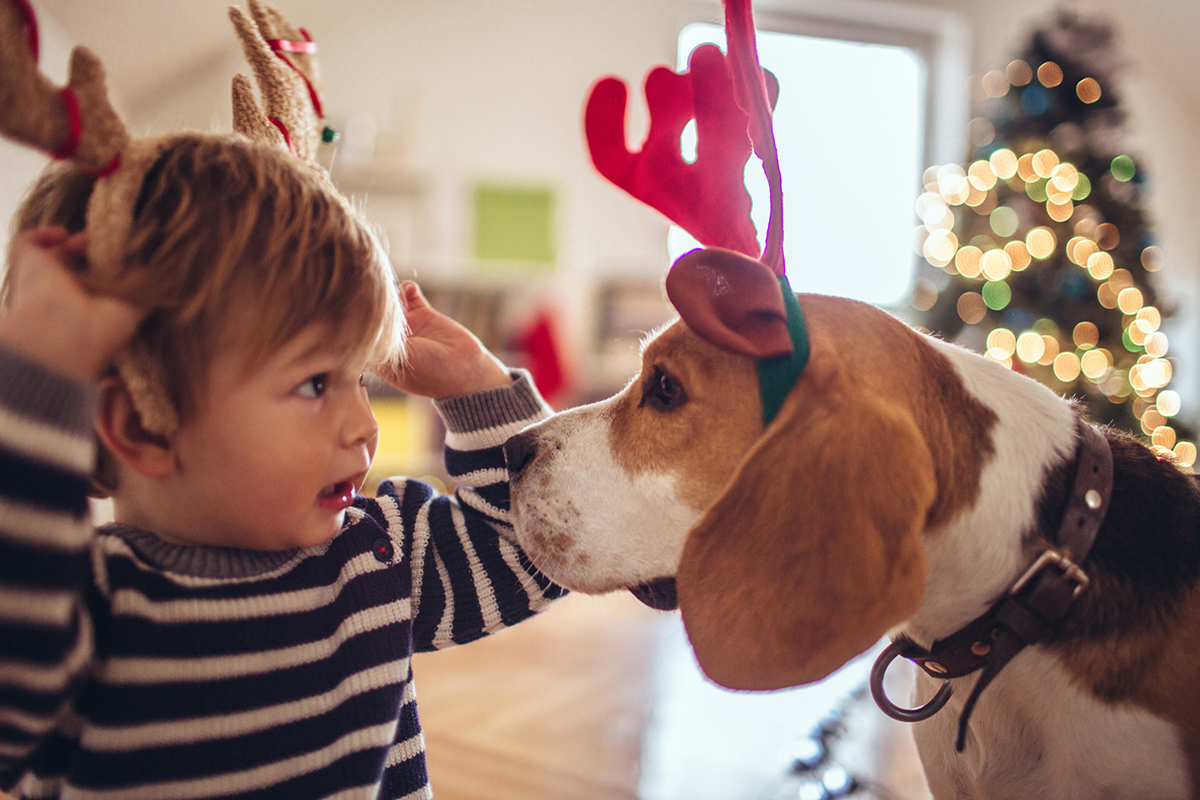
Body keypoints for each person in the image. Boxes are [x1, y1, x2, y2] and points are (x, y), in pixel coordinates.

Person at [0, 134, 564, 799]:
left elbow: (538, 549)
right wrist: (37, 385)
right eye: (314, 384)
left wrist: (478, 385)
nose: (365, 426)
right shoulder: (76, 615)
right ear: (145, 425)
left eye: (361, 379)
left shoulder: (377, 554)